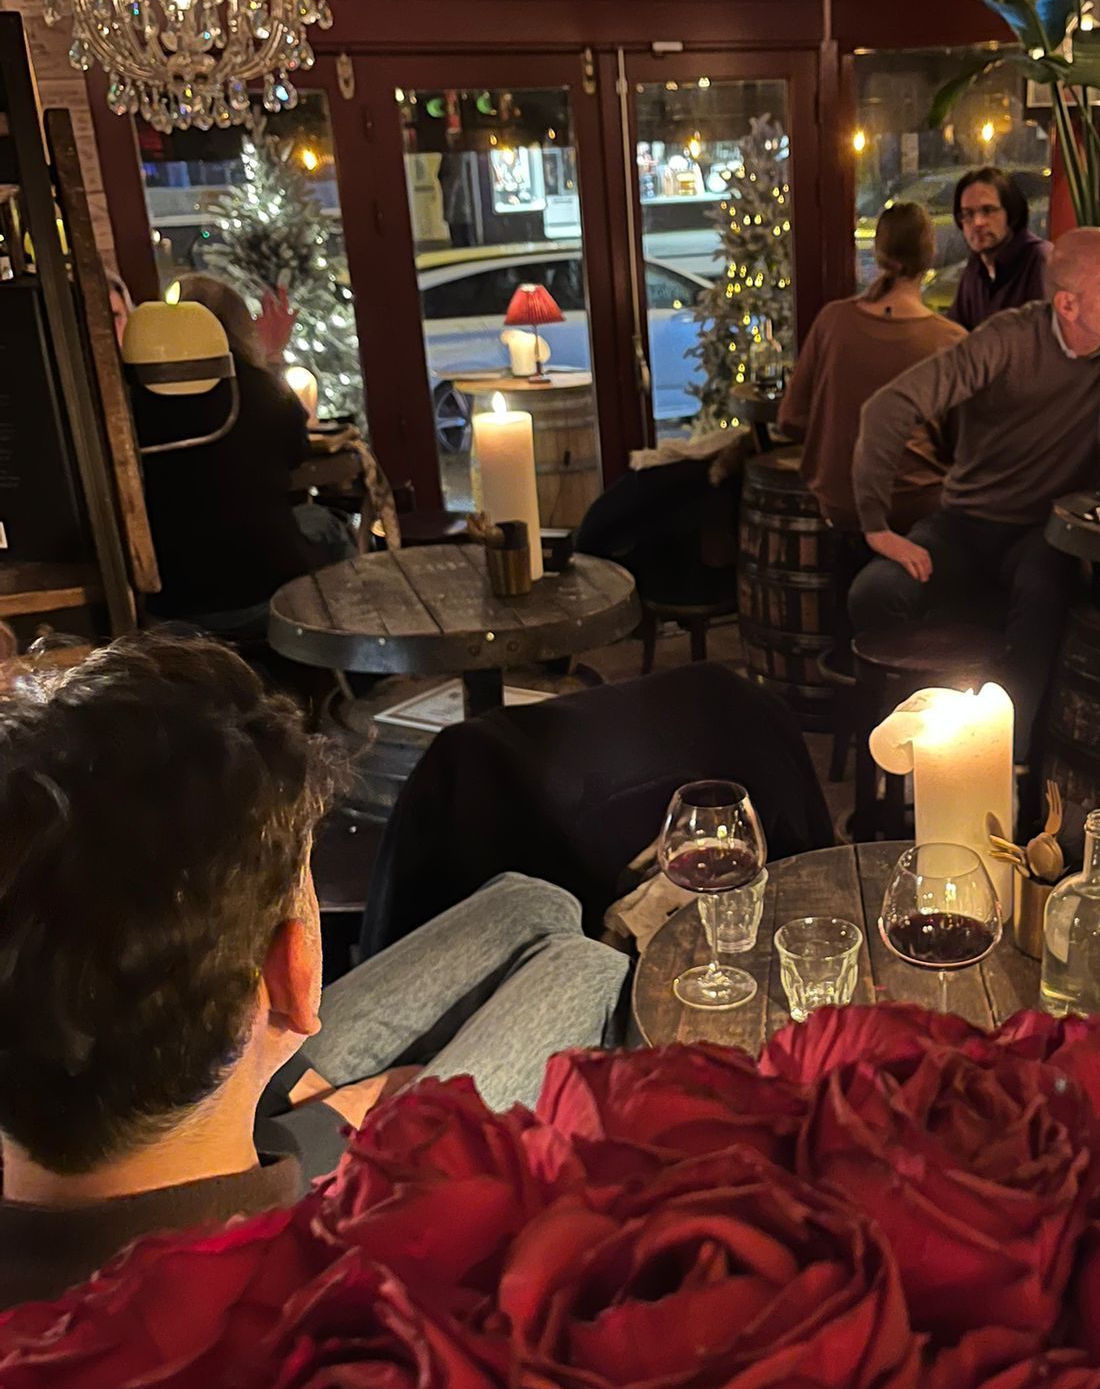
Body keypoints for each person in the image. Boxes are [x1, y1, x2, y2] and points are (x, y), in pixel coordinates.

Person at [0, 635, 629, 1310]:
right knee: (591, 965)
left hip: (232, 1132)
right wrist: (366, 1129)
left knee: (533, 904)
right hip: (303, 1180)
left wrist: (338, 1109)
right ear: (292, 978)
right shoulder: (328, 1297)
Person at [848, 227, 1100, 757]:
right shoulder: (1009, 339)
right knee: (874, 592)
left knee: (1044, 591)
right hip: (965, 522)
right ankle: (914, 752)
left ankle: (1003, 760)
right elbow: (887, 408)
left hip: (1051, 529)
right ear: (1067, 304)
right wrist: (876, 526)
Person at [135, 273, 340, 628]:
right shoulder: (259, 386)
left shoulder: (131, 397)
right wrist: (270, 357)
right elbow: (297, 453)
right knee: (328, 526)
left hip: (171, 602)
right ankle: (345, 649)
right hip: (267, 587)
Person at [778, 202, 963, 534]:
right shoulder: (949, 340)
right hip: (915, 506)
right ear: (931, 254)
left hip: (840, 503)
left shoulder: (832, 320)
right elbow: (968, 444)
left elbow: (791, 419)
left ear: (878, 253)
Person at [950, 168, 1051, 331]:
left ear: (1011, 213)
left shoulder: (1039, 259)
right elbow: (956, 331)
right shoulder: (976, 266)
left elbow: (1044, 337)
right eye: (968, 214)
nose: (977, 222)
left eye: (988, 210)